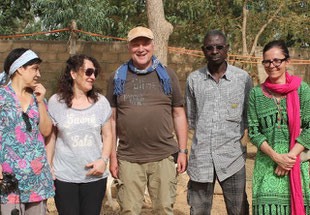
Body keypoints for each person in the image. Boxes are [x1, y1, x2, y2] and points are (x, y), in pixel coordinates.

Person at [106, 26, 188, 214]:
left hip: (163, 156)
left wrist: (182, 151)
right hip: (128, 158)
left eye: (145, 43)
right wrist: (112, 157)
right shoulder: (117, 77)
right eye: (136, 44)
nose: (141, 48)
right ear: (129, 47)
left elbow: (178, 113)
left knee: (163, 209)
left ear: (153, 45)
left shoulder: (167, 76)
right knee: (129, 210)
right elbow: (111, 119)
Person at [185, 30, 251, 215]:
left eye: (219, 47)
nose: (215, 51)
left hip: (232, 158)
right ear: (203, 50)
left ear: (227, 48)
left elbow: (247, 117)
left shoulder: (243, 79)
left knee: (239, 209)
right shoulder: (193, 80)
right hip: (201, 158)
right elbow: (191, 118)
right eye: (210, 47)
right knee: (198, 210)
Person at [247, 40, 310, 215]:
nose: (271, 65)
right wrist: (276, 157)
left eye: (277, 61)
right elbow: (253, 131)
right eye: (267, 61)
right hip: (267, 166)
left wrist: (288, 158)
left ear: (287, 62)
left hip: (296, 166)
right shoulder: (256, 94)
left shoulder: (302, 90)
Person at [46, 54, 112, 215]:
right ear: (73, 73)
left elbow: (108, 135)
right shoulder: (56, 102)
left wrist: (103, 160)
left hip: (94, 177)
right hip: (64, 177)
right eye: (88, 72)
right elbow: (51, 137)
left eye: (95, 73)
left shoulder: (101, 102)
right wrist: (48, 165)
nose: (93, 77)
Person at [0, 48, 55, 214]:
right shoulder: (2, 97)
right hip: (9, 179)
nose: (38, 74)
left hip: (36, 178)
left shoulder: (38, 97)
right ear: (20, 69)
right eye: (34, 69)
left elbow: (46, 131)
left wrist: (40, 102)